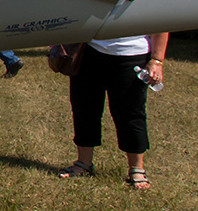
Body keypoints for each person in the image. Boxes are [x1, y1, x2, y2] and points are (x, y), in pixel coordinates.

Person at [59, 33, 168, 189]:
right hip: (90, 51)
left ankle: (136, 169)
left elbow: (161, 25)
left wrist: (157, 61)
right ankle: (83, 163)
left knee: (130, 113)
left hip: (133, 56)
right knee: (84, 108)